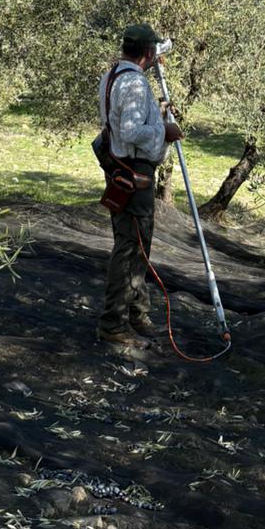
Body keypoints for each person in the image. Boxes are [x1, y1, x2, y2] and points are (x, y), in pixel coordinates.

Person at [95, 23, 182, 346]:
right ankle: (113, 323)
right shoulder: (132, 82)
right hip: (133, 173)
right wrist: (164, 131)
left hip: (123, 171)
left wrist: (156, 113)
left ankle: (136, 313)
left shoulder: (113, 75)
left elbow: (121, 124)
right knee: (130, 248)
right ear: (148, 52)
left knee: (136, 246)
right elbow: (131, 132)